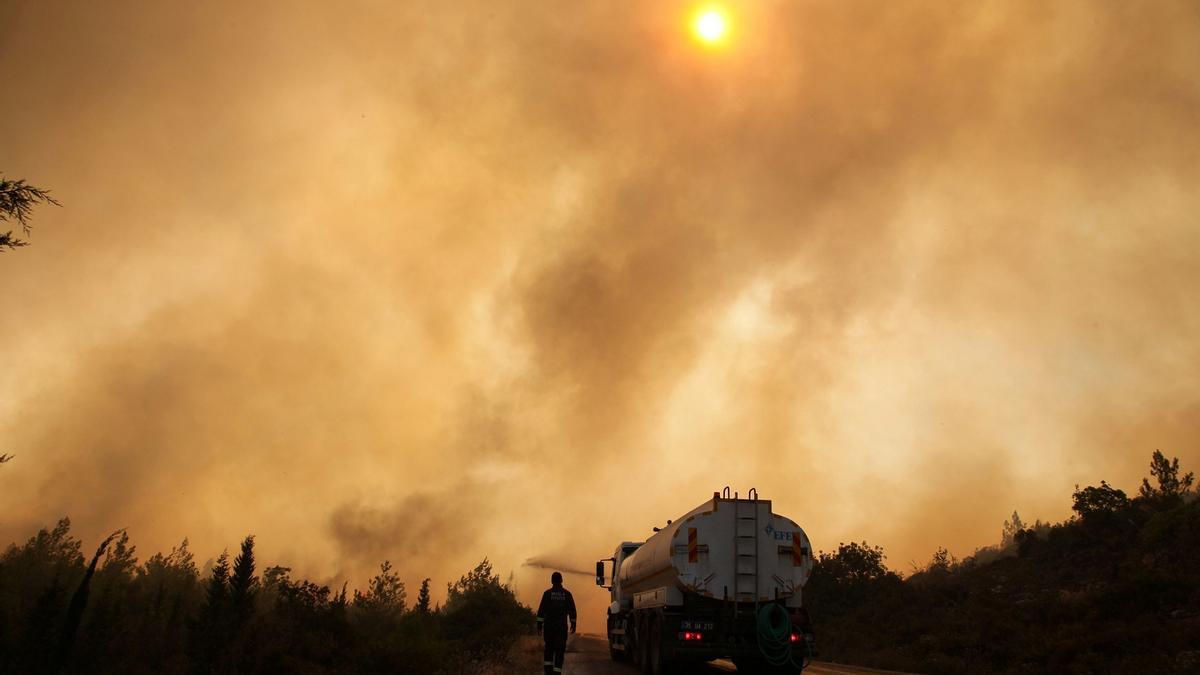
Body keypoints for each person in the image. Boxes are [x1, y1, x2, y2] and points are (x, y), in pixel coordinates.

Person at [536, 571, 576, 674]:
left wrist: (539, 626)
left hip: (549, 628)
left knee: (548, 649)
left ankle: (548, 672)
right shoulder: (567, 594)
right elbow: (572, 610)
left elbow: (541, 611)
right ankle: (557, 672)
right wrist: (573, 623)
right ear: (561, 581)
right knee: (560, 651)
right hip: (561, 628)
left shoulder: (547, 594)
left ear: (552, 581)